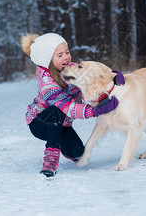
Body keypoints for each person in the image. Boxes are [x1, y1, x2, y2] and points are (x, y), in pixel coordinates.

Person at [20, 33, 122, 177]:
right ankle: (50, 159)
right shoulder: (47, 84)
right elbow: (69, 108)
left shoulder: (73, 69)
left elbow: (93, 77)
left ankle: (64, 145)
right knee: (56, 111)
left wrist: (112, 76)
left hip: (62, 125)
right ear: (47, 60)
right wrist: (95, 111)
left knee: (78, 152)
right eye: (60, 55)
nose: (66, 57)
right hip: (40, 123)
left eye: (67, 52)